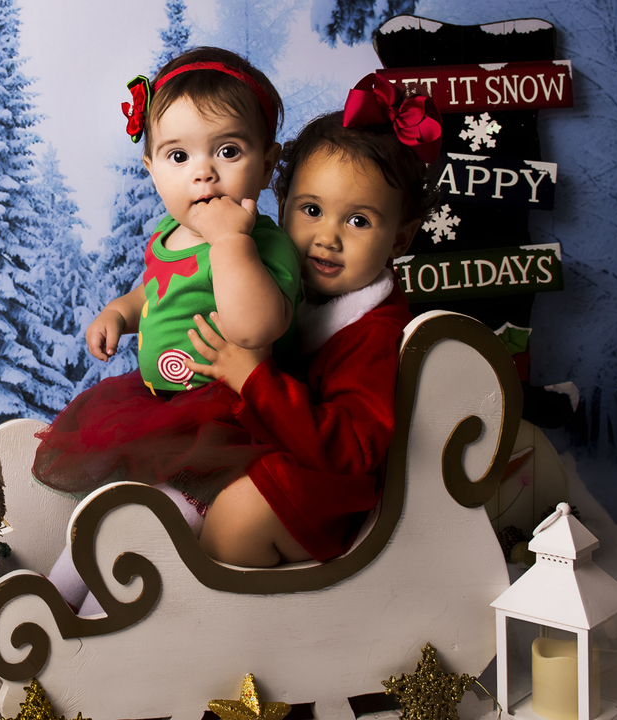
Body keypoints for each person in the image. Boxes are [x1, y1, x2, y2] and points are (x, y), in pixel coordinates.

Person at [186, 73, 442, 567]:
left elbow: (349, 451)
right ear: (281, 208)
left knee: (241, 513)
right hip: (265, 453)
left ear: (399, 241)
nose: (328, 236)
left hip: (330, 500)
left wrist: (255, 379)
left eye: (359, 220)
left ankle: (224, 620)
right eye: (311, 209)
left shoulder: (371, 333)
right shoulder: (274, 284)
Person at [32, 47, 301, 502]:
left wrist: (230, 243)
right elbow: (154, 292)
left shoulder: (262, 243)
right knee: (123, 498)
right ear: (151, 171)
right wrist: (119, 313)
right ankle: (77, 569)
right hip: (157, 404)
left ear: (267, 166)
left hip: (227, 413)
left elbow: (257, 326)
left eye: (228, 151)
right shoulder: (167, 233)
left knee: (183, 507)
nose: (204, 172)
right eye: (178, 156)